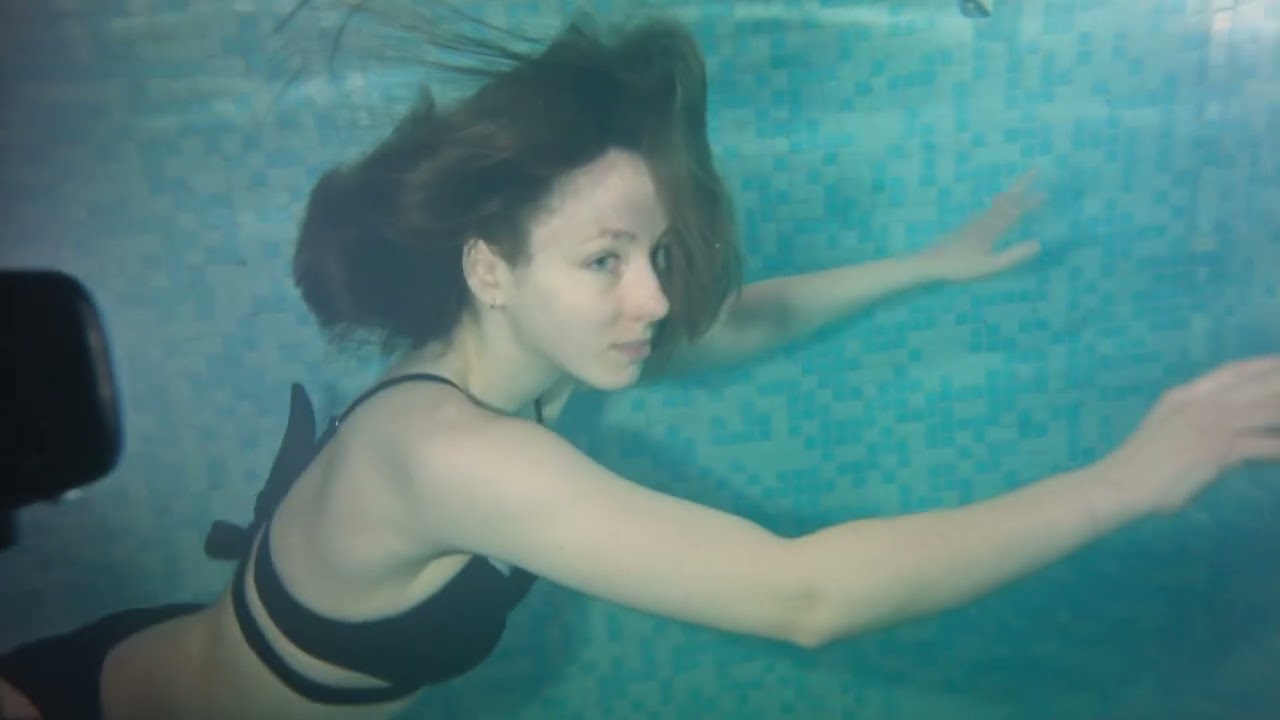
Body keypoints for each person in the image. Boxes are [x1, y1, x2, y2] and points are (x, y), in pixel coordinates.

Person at [3, 8, 1280, 720]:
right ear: (488, 267)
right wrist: (1130, 478)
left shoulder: (517, 356)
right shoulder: (454, 453)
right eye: (608, 260)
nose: (651, 298)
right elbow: (804, 597)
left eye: (656, 253)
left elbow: (744, 320)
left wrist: (925, 267)